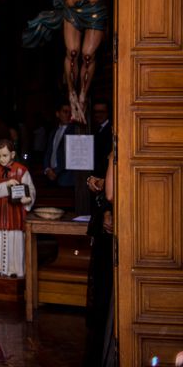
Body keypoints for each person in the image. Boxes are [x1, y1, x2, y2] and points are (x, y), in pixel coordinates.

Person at [0, 139, 36, 278]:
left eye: (5, 155)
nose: (1, 159)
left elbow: (30, 189)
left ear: (12, 154)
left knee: (16, 241)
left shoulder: (22, 170)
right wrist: (6, 185)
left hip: (15, 212)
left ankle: (15, 270)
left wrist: (28, 199)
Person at [84, 152, 115, 367]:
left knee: (106, 294)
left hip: (114, 236)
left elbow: (112, 194)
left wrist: (107, 204)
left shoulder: (115, 152)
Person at [43, 101, 76, 188]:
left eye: (70, 112)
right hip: (51, 175)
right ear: (57, 114)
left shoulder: (75, 131)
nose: (68, 115)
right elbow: (48, 152)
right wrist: (47, 169)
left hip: (66, 177)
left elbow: (71, 156)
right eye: (65, 112)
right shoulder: (53, 132)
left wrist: (56, 172)